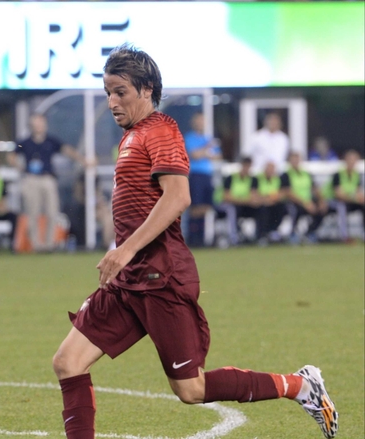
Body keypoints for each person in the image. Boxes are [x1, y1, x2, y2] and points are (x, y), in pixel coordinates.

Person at [51, 44, 337, 439]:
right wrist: (119, 247)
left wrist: (127, 248)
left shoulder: (161, 130)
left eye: (120, 92)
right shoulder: (132, 136)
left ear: (147, 89)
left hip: (159, 278)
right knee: (68, 361)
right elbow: (140, 207)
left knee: (191, 389)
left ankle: (300, 386)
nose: (112, 101)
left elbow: (178, 197)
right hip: (127, 280)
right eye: (108, 93)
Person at [8, 113, 90, 252]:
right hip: (31, 179)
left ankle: (49, 244)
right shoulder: (25, 142)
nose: (38, 125)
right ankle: (35, 245)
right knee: (32, 213)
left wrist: (83, 160)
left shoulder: (51, 140)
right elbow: (11, 156)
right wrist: (20, 168)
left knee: (52, 212)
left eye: (40, 122)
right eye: (36, 122)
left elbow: (67, 150)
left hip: (47, 179)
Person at [183, 112, 220, 246]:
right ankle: (193, 238)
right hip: (195, 175)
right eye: (198, 120)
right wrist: (206, 150)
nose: (201, 123)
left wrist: (203, 152)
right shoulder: (190, 138)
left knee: (206, 206)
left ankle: (202, 238)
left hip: (207, 175)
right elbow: (195, 155)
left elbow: (217, 156)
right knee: (195, 207)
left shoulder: (208, 138)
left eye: (203, 120)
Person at [281, 151, 328, 243]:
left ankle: (310, 232)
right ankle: (292, 234)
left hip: (308, 201)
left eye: (297, 159)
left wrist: (322, 201)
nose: (295, 162)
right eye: (293, 160)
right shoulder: (286, 175)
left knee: (322, 210)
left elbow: (315, 188)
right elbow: (288, 192)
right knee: (294, 210)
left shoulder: (306, 174)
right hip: (294, 202)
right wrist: (305, 203)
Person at [218, 157, 259, 246]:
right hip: (228, 205)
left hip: (242, 206)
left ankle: (259, 236)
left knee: (260, 209)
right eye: (245, 166)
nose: (247, 169)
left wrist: (239, 200)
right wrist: (246, 200)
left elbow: (254, 198)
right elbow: (226, 197)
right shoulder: (231, 178)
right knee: (231, 210)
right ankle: (233, 238)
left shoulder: (253, 179)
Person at [329, 149, 364, 242]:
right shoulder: (338, 175)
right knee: (342, 207)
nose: (352, 162)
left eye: (354, 160)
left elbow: (358, 192)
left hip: (350, 201)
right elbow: (339, 195)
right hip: (333, 201)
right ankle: (344, 236)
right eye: (350, 159)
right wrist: (355, 198)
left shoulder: (356, 175)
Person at [255, 161, 287, 243]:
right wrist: (266, 200)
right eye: (269, 169)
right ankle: (262, 234)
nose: (271, 171)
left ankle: (273, 231)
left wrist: (272, 199)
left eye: (272, 169)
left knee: (282, 207)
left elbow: (282, 193)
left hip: (273, 203)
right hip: (262, 203)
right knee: (262, 211)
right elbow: (255, 194)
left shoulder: (277, 179)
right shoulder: (258, 179)